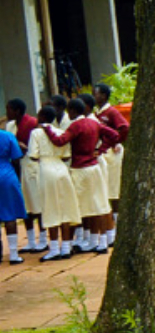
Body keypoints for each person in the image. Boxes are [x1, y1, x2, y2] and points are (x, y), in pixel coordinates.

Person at [40, 99, 111, 253]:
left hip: (79, 168)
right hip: (94, 167)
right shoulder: (93, 123)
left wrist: (48, 129)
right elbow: (113, 134)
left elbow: (60, 141)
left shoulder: (76, 125)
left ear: (72, 111)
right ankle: (101, 241)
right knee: (98, 204)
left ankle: (72, 243)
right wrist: (101, 149)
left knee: (76, 205)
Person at [25, 101, 77, 262]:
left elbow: (33, 154)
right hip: (61, 169)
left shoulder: (36, 133)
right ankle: (66, 246)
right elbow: (67, 155)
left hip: (45, 169)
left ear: (42, 116)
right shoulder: (61, 131)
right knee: (65, 207)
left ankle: (54, 248)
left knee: (50, 208)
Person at [6, 99, 43, 253]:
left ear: (17, 111)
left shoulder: (33, 123)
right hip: (16, 166)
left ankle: (43, 238)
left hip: (30, 165)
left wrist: (24, 146)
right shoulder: (10, 126)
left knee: (36, 202)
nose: (7, 113)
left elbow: (40, 145)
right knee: (25, 204)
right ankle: (30, 240)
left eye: (9, 110)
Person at [90, 84, 128, 220]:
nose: (94, 96)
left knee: (113, 187)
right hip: (102, 152)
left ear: (104, 96)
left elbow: (124, 128)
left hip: (112, 153)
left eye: (96, 93)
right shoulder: (96, 113)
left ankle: (117, 219)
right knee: (104, 186)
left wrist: (115, 141)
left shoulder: (111, 112)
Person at [0, 125, 23, 263]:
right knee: (10, 215)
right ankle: (14, 254)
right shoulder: (8, 136)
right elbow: (16, 159)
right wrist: (17, 179)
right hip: (7, 175)